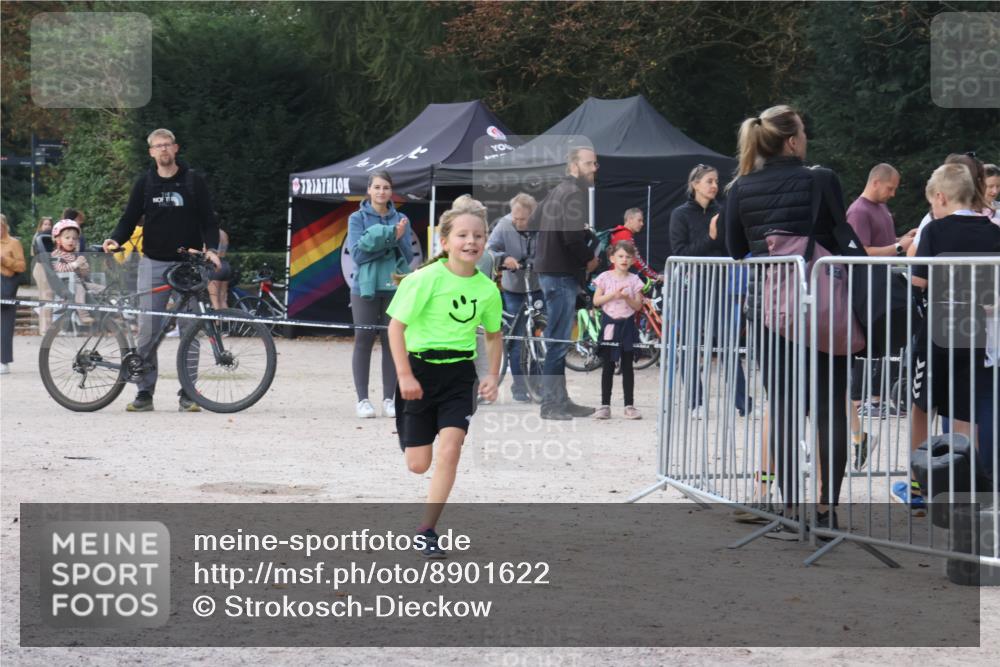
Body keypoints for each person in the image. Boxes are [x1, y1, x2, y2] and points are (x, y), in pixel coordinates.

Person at [725, 104, 852, 531]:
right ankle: (825, 509)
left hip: (769, 310)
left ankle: (790, 509)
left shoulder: (740, 188)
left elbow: (733, 247)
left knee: (783, 405)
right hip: (822, 305)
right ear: (793, 141)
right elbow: (841, 237)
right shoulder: (820, 179)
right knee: (831, 405)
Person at [386, 199, 502, 558]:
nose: (471, 241)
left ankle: (427, 528)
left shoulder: (488, 289)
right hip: (419, 373)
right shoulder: (423, 280)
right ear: (445, 241)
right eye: (463, 235)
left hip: (458, 377)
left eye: (478, 236)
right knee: (418, 465)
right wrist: (404, 375)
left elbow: (494, 335)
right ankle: (412, 434)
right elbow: (395, 328)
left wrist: (492, 376)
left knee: (451, 450)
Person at [895, 163, 1000, 512]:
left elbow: (919, 282)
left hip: (940, 328)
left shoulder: (936, 231)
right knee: (967, 410)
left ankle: (919, 484)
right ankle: (966, 485)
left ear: (940, 197)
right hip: (981, 332)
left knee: (923, 404)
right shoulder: (993, 230)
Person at [101, 128, 221, 413]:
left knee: (191, 328)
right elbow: (129, 217)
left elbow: (209, 220)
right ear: (151, 152)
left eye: (167, 145)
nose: (164, 150)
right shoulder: (145, 183)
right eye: (158, 146)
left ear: (176, 148)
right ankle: (144, 392)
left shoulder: (194, 182)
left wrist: (212, 248)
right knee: (148, 329)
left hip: (188, 265)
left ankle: (188, 393)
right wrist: (115, 239)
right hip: (153, 262)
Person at [670, 163, 751, 418]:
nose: (715, 185)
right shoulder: (680, 214)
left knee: (728, 344)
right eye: (709, 181)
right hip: (693, 286)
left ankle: (743, 402)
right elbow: (680, 253)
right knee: (691, 344)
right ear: (695, 184)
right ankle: (696, 402)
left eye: (716, 181)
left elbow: (731, 250)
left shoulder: (723, 211)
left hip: (720, 285)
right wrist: (711, 237)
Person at [845, 164, 915, 454]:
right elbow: (861, 251)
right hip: (867, 292)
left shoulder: (880, 209)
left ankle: (861, 411)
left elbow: (881, 245)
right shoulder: (859, 211)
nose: (894, 193)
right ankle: (858, 408)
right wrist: (899, 247)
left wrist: (900, 241)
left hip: (880, 289)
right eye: (890, 187)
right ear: (875, 182)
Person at [532, 146, 601, 420]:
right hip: (560, 274)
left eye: (595, 163)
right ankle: (550, 405)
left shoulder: (556, 191)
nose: (594, 168)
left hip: (551, 271)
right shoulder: (573, 192)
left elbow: (535, 220)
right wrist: (589, 260)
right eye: (589, 163)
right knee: (558, 342)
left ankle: (561, 400)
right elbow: (571, 239)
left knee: (558, 340)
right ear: (573, 166)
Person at [346, 170, 415, 419]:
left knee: (392, 341)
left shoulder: (402, 218)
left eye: (386, 187)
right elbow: (358, 255)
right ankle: (362, 399)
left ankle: (389, 398)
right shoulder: (356, 218)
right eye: (377, 187)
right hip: (364, 288)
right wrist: (389, 239)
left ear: (391, 191)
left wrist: (397, 238)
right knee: (363, 339)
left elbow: (407, 255)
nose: (381, 192)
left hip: (395, 286)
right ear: (369, 190)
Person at [487, 192, 540, 402]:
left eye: (523, 219)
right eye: (515, 217)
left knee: (538, 336)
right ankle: (519, 388)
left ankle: (537, 386)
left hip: (537, 286)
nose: (518, 222)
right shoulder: (503, 225)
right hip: (513, 288)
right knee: (517, 339)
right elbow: (490, 249)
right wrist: (504, 257)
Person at [591, 240, 645, 420]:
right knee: (608, 365)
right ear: (612, 258)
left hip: (628, 324)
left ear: (632, 260)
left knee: (628, 365)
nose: (624, 259)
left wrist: (627, 298)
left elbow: (637, 306)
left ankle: (629, 405)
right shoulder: (605, 277)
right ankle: (604, 405)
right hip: (609, 324)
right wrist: (613, 295)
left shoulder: (635, 280)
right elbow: (596, 301)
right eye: (621, 256)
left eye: (628, 257)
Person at [49, 219, 96, 325]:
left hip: (80, 282)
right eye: (67, 238)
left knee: (100, 289)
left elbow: (84, 274)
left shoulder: (75, 255)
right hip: (65, 284)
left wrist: (84, 268)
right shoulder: (56, 254)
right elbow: (59, 268)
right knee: (80, 289)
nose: (71, 241)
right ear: (58, 240)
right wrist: (75, 264)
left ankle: (109, 311)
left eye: (74, 238)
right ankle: (83, 315)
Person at [1, 214, 27, 375]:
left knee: (5, 326)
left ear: (5, 226)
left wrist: (5, 261)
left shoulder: (13, 243)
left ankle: (3, 361)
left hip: (5, 285)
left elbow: (22, 266)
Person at [609, 208, 662, 281]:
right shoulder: (625, 235)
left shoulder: (619, 232)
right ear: (630, 220)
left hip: (615, 276)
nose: (642, 224)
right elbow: (637, 261)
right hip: (619, 278)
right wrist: (656, 276)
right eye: (639, 220)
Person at [30, 216, 55, 335]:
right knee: (46, 297)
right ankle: (45, 328)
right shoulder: (40, 237)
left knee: (46, 297)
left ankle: (45, 328)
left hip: (46, 267)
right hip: (41, 267)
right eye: (45, 224)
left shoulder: (49, 237)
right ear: (40, 226)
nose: (47, 227)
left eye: (49, 225)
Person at [207, 228, 230, 310]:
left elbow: (205, 251)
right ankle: (227, 322)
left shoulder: (210, 232)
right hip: (225, 265)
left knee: (215, 301)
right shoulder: (224, 233)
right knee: (223, 300)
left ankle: (217, 323)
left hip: (215, 266)